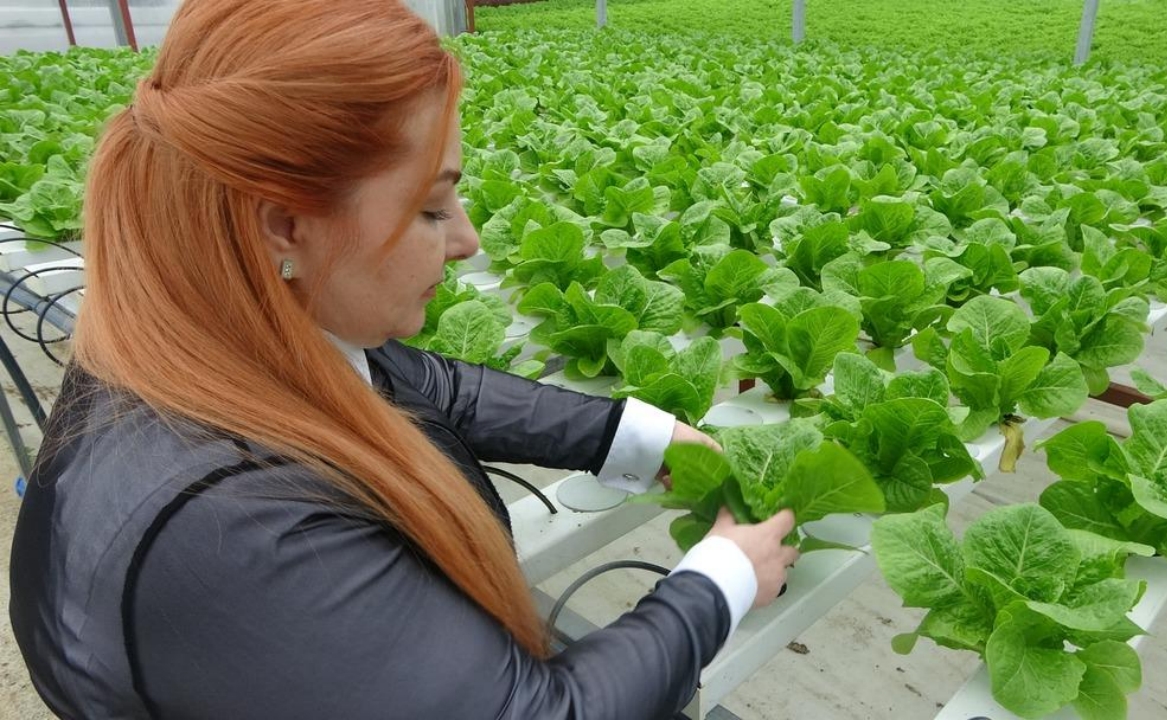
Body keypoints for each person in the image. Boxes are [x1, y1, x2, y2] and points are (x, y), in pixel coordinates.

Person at [7, 0, 801, 718]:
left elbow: (428, 387)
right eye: (428, 207)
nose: (467, 241)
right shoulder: (236, 536)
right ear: (285, 225)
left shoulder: (224, 327)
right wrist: (720, 580)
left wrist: (638, 439)